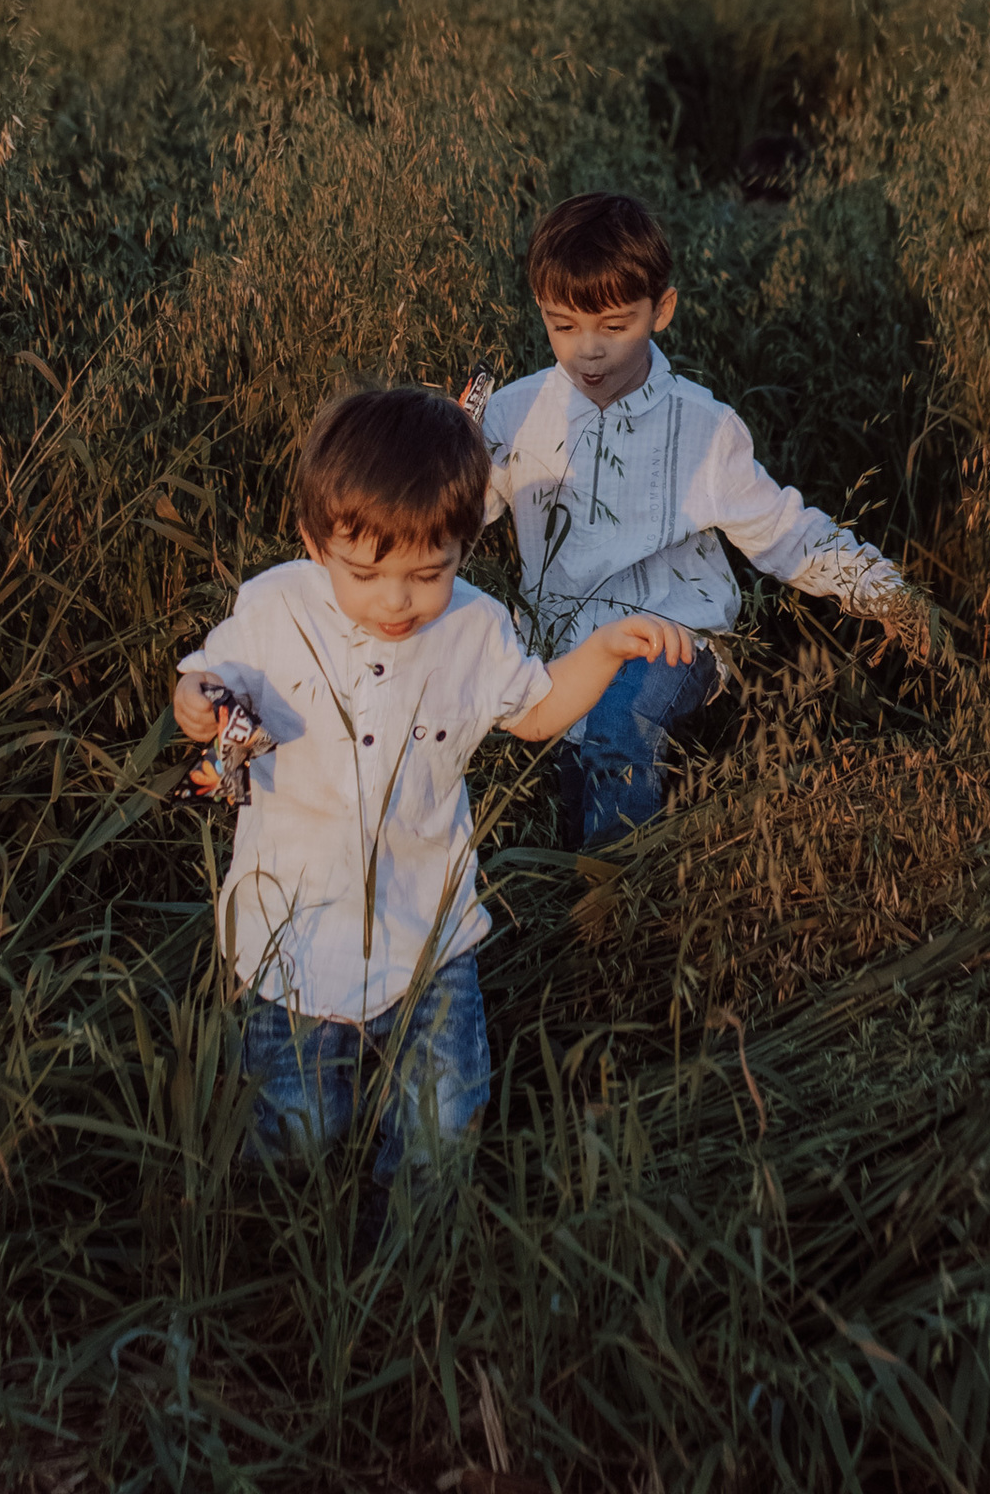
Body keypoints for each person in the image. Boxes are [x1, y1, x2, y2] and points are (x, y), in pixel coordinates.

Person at [173, 386, 693, 1193]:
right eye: (364, 573)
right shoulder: (274, 609)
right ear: (315, 541)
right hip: (292, 935)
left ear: (464, 545)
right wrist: (196, 701)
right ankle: (276, 1238)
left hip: (429, 934)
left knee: (440, 1122)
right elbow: (209, 678)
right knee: (299, 1126)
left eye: (429, 572)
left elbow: (535, 712)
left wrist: (604, 651)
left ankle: (411, 1250)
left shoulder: (474, 628)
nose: (396, 600)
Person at [483, 191, 930, 850]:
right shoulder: (512, 413)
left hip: (673, 640)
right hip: (562, 650)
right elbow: (449, 520)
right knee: (577, 781)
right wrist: (443, 453)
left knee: (620, 724)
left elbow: (785, 533)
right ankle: (581, 883)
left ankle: (617, 890)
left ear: (661, 310)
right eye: (564, 326)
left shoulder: (703, 427)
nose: (588, 352)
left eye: (614, 326)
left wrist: (887, 592)